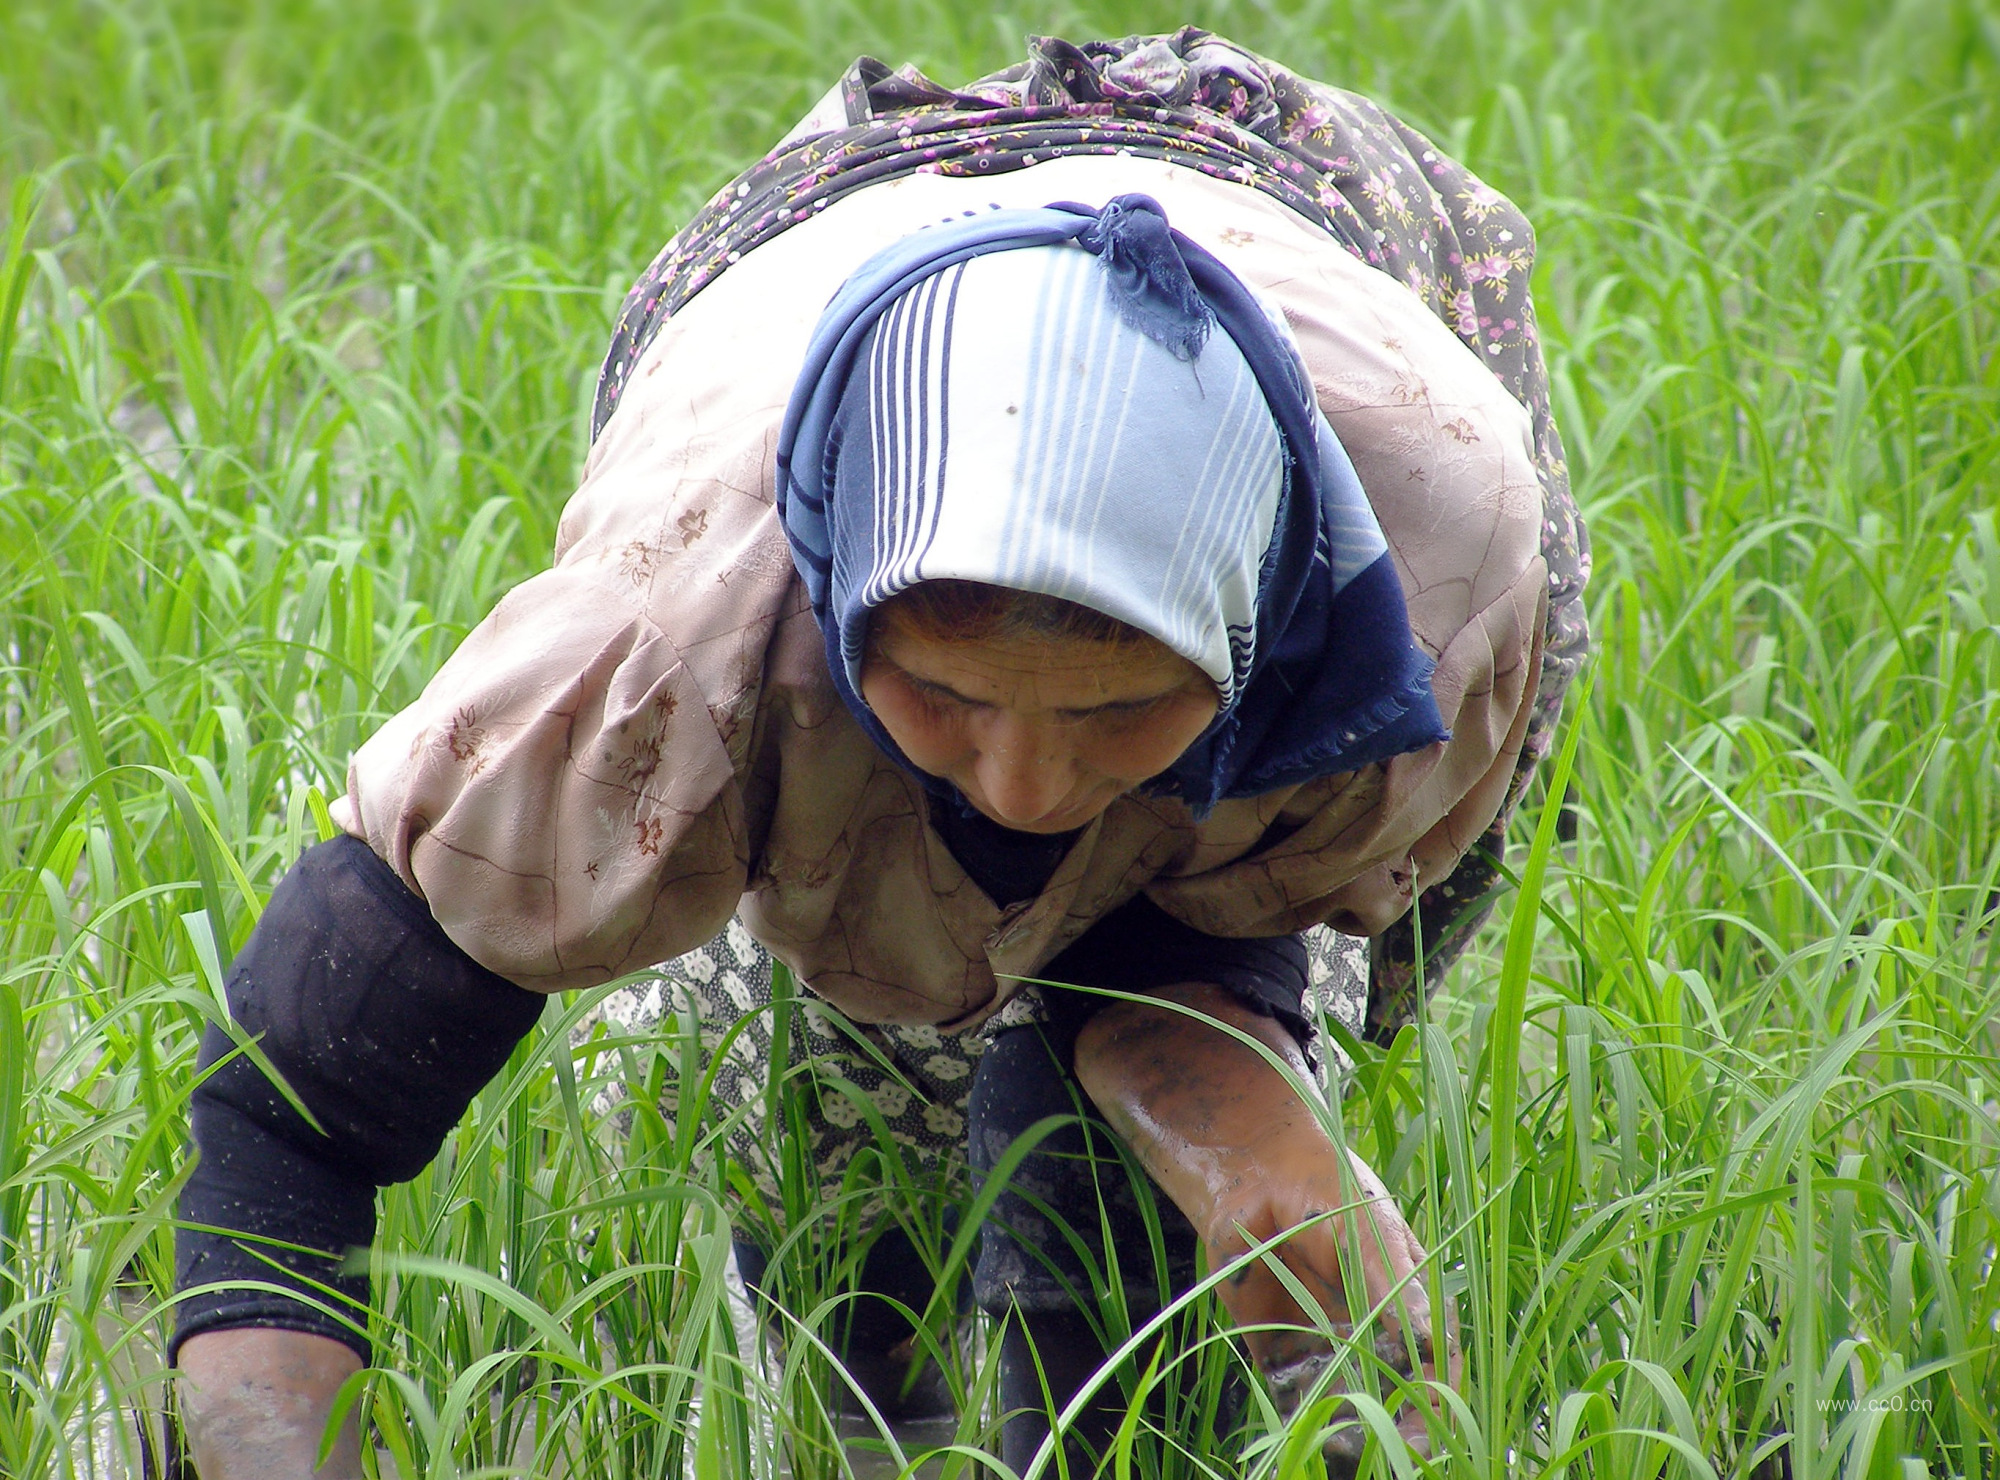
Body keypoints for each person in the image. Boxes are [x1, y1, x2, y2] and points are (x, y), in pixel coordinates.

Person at [170, 27, 1589, 1478]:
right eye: (950, 697)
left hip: (1313, 250)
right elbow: (290, 1132)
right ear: (853, 628)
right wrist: (257, 1398)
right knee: (806, 1088)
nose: (1027, 783)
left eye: (1116, 710)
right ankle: (867, 1396)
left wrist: (1223, 1080)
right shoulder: (673, 638)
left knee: (1181, 1168)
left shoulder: (1422, 582)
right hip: (811, 305)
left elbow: (1210, 886)